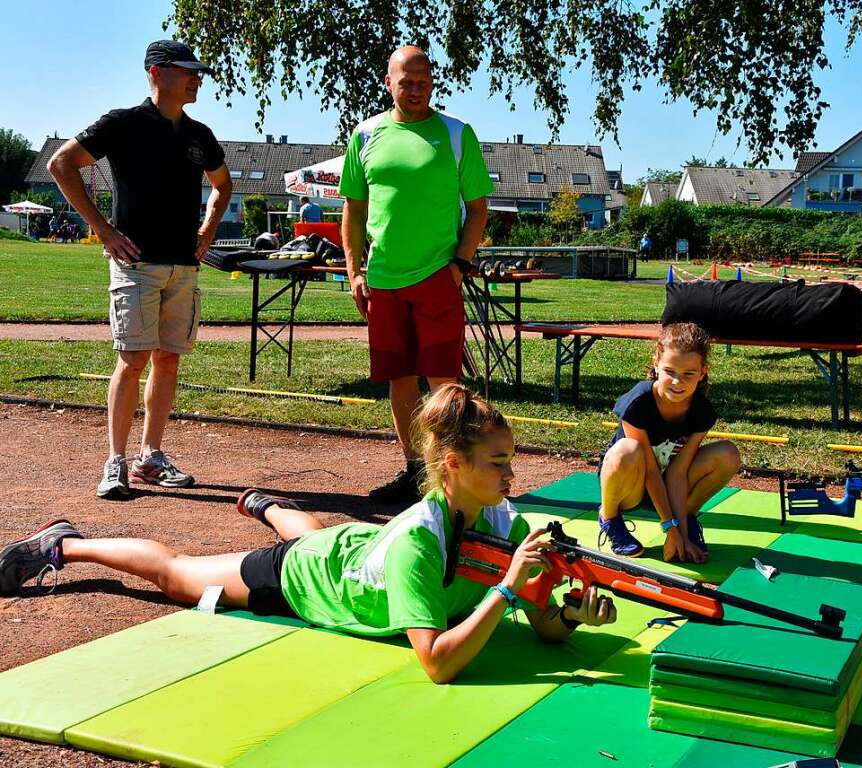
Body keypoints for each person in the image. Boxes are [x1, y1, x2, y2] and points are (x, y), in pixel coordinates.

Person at [0, 384, 617, 684]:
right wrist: (506, 590)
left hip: (346, 550)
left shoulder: (504, 521)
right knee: (178, 575)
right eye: (499, 462)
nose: (514, 474)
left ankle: (271, 506)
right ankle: (66, 543)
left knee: (317, 536)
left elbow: (543, 624)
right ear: (452, 465)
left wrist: (570, 618)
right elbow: (435, 665)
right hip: (304, 579)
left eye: (511, 459)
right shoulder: (418, 544)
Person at [47, 40, 232, 498]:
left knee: (168, 361)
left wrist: (207, 232)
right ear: (155, 72)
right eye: (186, 70)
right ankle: (116, 462)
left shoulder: (199, 134)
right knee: (132, 361)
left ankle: (151, 456)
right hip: (137, 265)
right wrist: (104, 230)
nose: (197, 78)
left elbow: (223, 185)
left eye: (198, 71)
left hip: (183, 268)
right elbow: (61, 164)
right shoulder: (123, 124)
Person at [341, 45, 494, 504]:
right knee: (399, 379)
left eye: (423, 80)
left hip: (437, 278)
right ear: (388, 82)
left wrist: (458, 266)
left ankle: (451, 476)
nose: (415, 88)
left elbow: (478, 208)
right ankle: (413, 471)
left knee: (444, 383)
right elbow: (353, 208)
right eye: (406, 80)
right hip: (384, 280)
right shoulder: (366, 135)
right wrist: (354, 270)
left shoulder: (455, 134)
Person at [596, 323, 740, 561]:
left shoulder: (701, 411)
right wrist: (669, 528)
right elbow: (651, 471)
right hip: (632, 486)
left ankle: (689, 518)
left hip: (669, 486)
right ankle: (609, 518)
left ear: (703, 371)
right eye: (670, 371)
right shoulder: (638, 403)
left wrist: (681, 534)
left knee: (728, 453)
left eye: (688, 374)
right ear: (657, 365)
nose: (677, 382)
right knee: (626, 450)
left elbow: (678, 472)